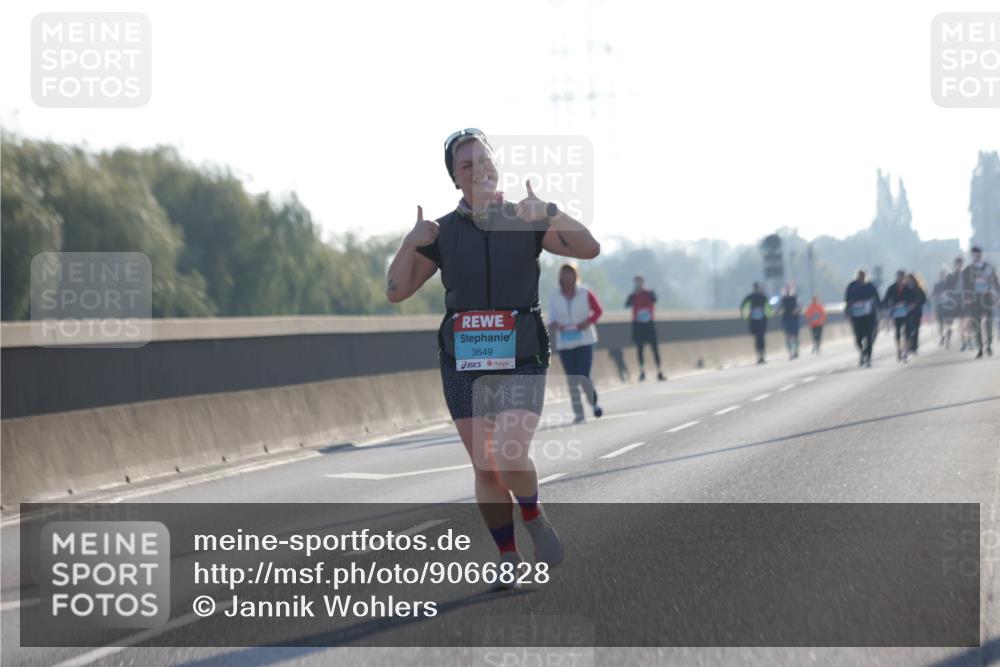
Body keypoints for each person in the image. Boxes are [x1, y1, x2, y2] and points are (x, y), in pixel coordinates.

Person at [385, 129, 600, 580]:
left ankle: (532, 514)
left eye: (484, 160)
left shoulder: (525, 219)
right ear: (456, 180)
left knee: (509, 453)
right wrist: (410, 241)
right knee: (485, 465)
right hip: (462, 360)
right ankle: (507, 558)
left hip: (522, 354)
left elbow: (589, 248)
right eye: (467, 165)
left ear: (495, 165)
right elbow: (397, 290)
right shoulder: (442, 233)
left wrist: (550, 211)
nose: (479, 169)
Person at [548, 264, 604, 423]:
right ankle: (578, 413)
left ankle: (593, 404)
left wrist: (588, 322)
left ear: (575, 275)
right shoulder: (555, 295)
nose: (567, 277)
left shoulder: (585, 292)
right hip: (565, 343)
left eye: (570, 274)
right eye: (564, 274)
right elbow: (550, 319)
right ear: (560, 277)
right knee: (572, 379)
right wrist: (556, 325)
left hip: (584, 340)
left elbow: (598, 310)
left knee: (584, 375)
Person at [626, 275, 666, 381]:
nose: (638, 284)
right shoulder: (633, 295)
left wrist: (644, 292)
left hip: (649, 324)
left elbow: (654, 299)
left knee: (654, 348)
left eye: (639, 282)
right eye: (636, 282)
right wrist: (634, 294)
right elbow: (627, 304)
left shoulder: (649, 293)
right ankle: (642, 371)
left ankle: (659, 370)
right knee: (639, 349)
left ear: (643, 283)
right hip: (638, 325)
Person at [961, 245, 999, 358]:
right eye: (974, 254)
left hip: (987, 297)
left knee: (989, 323)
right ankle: (980, 348)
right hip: (974, 299)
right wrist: (967, 298)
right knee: (976, 323)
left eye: (978, 253)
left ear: (981, 254)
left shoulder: (989, 267)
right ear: (972, 255)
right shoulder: (968, 270)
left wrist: (997, 295)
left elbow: (995, 282)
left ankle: (989, 345)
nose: (977, 255)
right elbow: (965, 286)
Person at [845, 269, 880, 367]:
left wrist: (880, 310)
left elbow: (877, 298)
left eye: (863, 276)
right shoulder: (852, 286)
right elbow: (847, 300)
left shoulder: (870, 286)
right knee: (858, 338)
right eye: (860, 276)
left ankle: (868, 358)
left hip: (869, 316)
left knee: (869, 337)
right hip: (857, 316)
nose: (862, 278)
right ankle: (862, 351)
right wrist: (848, 313)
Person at [882, 270, 915, 362]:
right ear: (896, 277)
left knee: (907, 333)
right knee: (897, 333)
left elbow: (913, 301)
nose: (900, 279)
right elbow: (885, 300)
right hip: (896, 314)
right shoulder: (891, 288)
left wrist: (910, 306)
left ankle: (905, 352)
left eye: (902, 277)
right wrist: (886, 308)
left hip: (907, 314)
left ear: (904, 278)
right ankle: (899, 349)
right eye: (899, 277)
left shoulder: (908, 289)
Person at [740, 283, 771, 365]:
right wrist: (744, 315)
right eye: (755, 288)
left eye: (757, 288)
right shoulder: (750, 297)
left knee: (762, 339)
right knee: (757, 339)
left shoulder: (763, 297)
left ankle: (762, 356)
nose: (756, 290)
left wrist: (767, 315)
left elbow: (769, 307)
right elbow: (743, 305)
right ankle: (759, 357)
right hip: (753, 322)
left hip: (762, 321)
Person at [777, 283, 802, 360]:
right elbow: (779, 308)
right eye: (786, 289)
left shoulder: (795, 298)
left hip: (794, 319)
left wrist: (796, 311)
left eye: (789, 289)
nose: (787, 291)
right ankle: (791, 352)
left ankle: (795, 351)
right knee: (788, 336)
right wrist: (779, 311)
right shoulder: (783, 299)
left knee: (795, 336)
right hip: (786, 319)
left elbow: (799, 306)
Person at [905, 273, 927, 355]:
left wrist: (916, 304)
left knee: (916, 329)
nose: (909, 281)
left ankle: (914, 346)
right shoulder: (905, 289)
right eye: (908, 279)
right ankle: (908, 345)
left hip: (917, 311)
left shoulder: (919, 288)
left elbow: (924, 299)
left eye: (911, 279)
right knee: (908, 330)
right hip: (907, 312)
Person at [931, 268, 949, 348]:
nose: (943, 276)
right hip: (939, 306)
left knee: (948, 324)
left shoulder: (949, 284)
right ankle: (942, 336)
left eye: (944, 274)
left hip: (949, 306)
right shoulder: (937, 285)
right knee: (940, 323)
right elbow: (933, 295)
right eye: (942, 274)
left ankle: (947, 339)